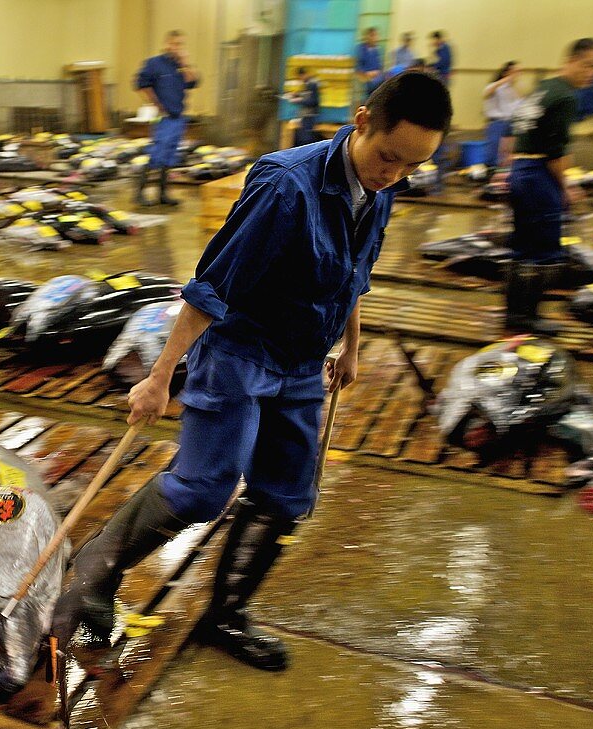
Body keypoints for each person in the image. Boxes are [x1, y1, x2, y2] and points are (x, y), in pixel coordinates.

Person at [53, 72, 452, 671]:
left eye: (410, 167)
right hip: (240, 353)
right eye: (389, 158)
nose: (393, 174)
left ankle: (226, 617)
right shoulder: (285, 185)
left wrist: (353, 347)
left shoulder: (383, 188)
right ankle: (90, 576)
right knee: (202, 489)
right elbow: (212, 285)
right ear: (362, 121)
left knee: (288, 494)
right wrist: (160, 376)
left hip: (301, 360)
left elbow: (353, 277)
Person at [506, 38, 593, 334]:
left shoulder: (545, 87)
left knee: (522, 248)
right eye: (588, 65)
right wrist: (569, 186)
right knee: (543, 251)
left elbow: (515, 132)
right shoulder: (566, 97)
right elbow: (556, 153)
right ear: (571, 61)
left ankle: (514, 315)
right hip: (539, 175)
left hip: (520, 171)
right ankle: (529, 317)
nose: (592, 73)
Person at [134, 30, 199, 207]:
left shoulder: (180, 67)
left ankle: (162, 194)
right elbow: (141, 83)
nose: (177, 48)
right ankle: (139, 193)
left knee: (170, 156)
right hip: (164, 118)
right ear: (167, 44)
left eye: (180, 44)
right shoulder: (154, 63)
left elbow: (193, 82)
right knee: (157, 155)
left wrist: (185, 64)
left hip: (179, 117)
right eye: (175, 44)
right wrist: (155, 104)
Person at [483, 61, 523, 167]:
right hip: (497, 123)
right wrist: (505, 79)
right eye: (515, 72)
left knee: (506, 158)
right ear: (506, 72)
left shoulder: (511, 90)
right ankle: (490, 176)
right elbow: (486, 93)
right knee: (493, 156)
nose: (517, 75)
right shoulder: (495, 87)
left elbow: (518, 106)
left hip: (509, 124)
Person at [284, 67, 320, 147]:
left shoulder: (312, 84)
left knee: (305, 139)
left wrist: (298, 101)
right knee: (301, 137)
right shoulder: (308, 84)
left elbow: (313, 101)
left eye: (300, 77)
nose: (300, 79)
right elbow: (307, 95)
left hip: (309, 115)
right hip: (305, 116)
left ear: (304, 74)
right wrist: (296, 95)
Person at [355, 27, 383, 98]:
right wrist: (366, 73)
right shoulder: (361, 49)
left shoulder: (377, 49)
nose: (375, 38)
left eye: (376, 35)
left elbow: (379, 65)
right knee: (372, 86)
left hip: (376, 75)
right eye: (373, 35)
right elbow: (358, 65)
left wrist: (377, 72)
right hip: (365, 76)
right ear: (367, 37)